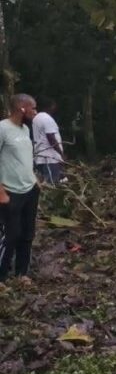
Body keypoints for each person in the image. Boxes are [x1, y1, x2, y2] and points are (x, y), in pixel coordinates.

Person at [0, 94, 41, 281]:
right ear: (22, 108)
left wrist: (34, 180)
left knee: (27, 234)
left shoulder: (25, 129)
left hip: (30, 190)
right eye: (33, 108)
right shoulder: (3, 128)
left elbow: (25, 158)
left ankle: (21, 274)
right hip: (10, 192)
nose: (35, 111)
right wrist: (1, 191)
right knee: (9, 236)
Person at [31, 97, 66, 185]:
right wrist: (61, 154)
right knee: (51, 184)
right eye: (54, 105)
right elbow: (51, 137)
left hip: (41, 156)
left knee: (45, 182)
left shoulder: (36, 118)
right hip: (50, 158)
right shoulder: (47, 118)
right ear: (50, 106)